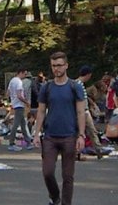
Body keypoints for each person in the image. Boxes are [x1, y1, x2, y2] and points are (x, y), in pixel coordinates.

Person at [34, 51, 86, 205]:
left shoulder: (74, 87)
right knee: (48, 172)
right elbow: (41, 111)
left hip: (69, 136)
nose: (56, 69)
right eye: (53, 66)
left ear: (66, 66)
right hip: (50, 136)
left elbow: (81, 112)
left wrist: (81, 135)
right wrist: (36, 133)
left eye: (59, 65)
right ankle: (55, 197)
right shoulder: (47, 87)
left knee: (68, 177)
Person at [7, 68, 30, 149]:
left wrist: (12, 100)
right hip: (19, 105)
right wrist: (26, 102)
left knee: (23, 123)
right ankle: (11, 143)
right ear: (20, 73)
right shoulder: (19, 82)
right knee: (16, 124)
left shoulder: (12, 81)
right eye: (25, 74)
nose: (25, 76)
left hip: (15, 104)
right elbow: (19, 95)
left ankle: (28, 141)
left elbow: (8, 92)